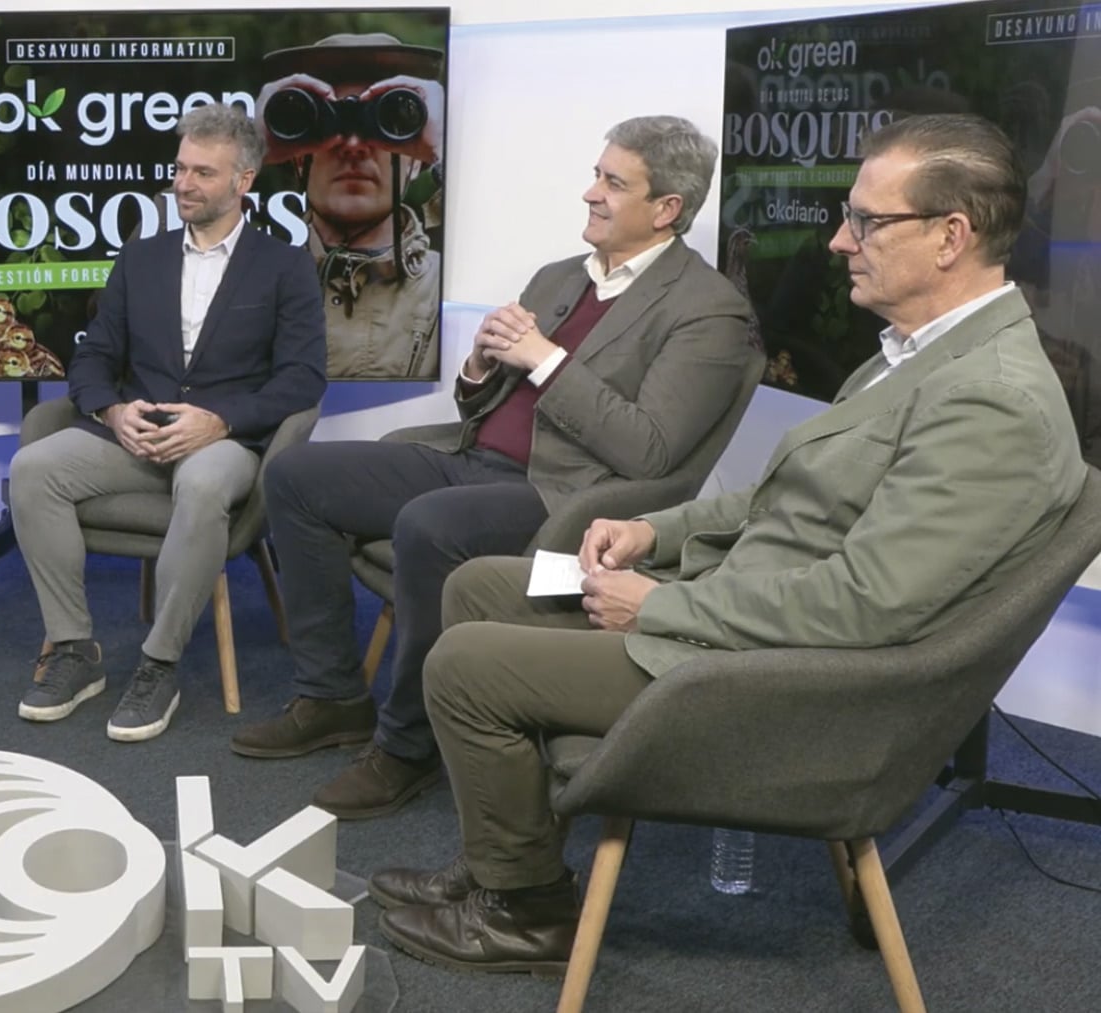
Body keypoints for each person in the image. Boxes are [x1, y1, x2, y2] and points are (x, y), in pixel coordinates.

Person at [371, 112, 1085, 974]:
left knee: (466, 665)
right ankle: (503, 860)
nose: (836, 242)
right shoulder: (916, 353)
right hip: (737, 604)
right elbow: (786, 498)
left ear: (950, 237)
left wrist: (663, 602)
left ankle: (524, 913)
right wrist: (652, 530)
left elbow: (864, 605)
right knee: (482, 586)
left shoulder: (993, 400)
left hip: (765, 673)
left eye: (864, 220)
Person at [232, 116, 760, 820]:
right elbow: (485, 399)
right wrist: (481, 366)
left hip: (566, 497)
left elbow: (650, 449)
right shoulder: (561, 277)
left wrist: (543, 355)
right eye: (596, 174)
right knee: (297, 475)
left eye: (612, 182)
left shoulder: (709, 311)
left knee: (428, 526)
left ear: (666, 208)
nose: (589, 193)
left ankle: (407, 743)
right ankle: (331, 696)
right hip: (470, 457)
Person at [9, 103, 327, 743]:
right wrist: (113, 409)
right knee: (31, 469)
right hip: (135, 434)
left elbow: (302, 379)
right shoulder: (141, 257)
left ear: (244, 182)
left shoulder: (284, 265)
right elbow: (94, 356)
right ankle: (75, 650)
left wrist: (219, 420)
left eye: (203, 173)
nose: (184, 183)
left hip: (225, 441)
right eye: (180, 168)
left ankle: (159, 664)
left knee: (205, 485)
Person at [256, 32, 445, 378]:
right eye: (328, 124)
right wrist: (248, 153)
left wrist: (442, 149)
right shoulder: (249, 278)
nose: (355, 145)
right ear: (298, 158)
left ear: (415, 160)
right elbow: (153, 266)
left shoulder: (449, 285)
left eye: (387, 124)